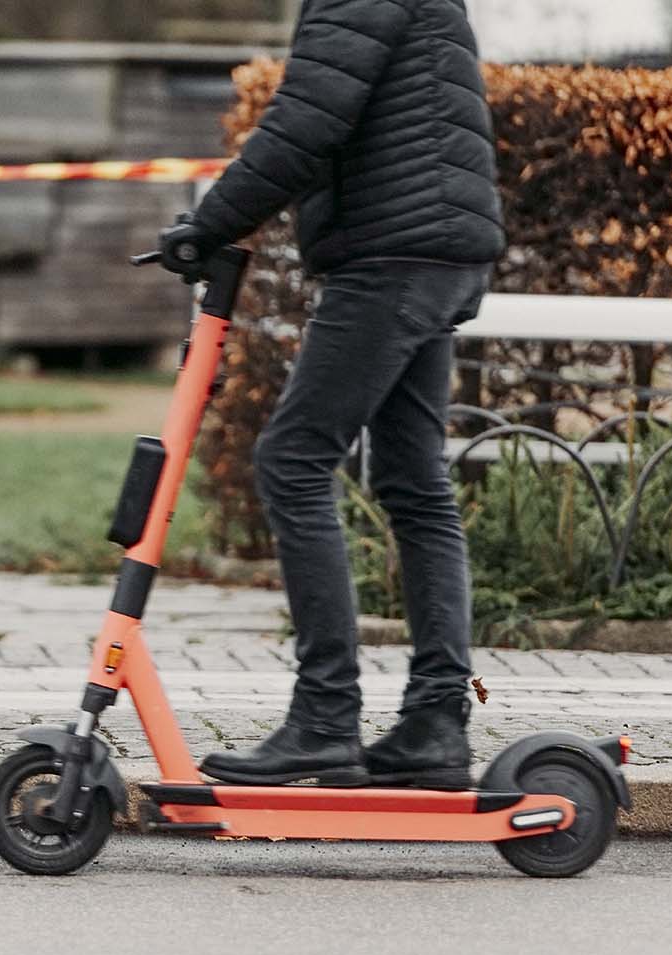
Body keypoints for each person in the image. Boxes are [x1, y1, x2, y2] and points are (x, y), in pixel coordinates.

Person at [159, 0, 505, 791]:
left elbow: (307, 122)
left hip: (394, 254)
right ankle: (433, 726)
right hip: (432, 248)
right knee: (414, 483)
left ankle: (324, 718)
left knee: (293, 460)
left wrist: (210, 224)